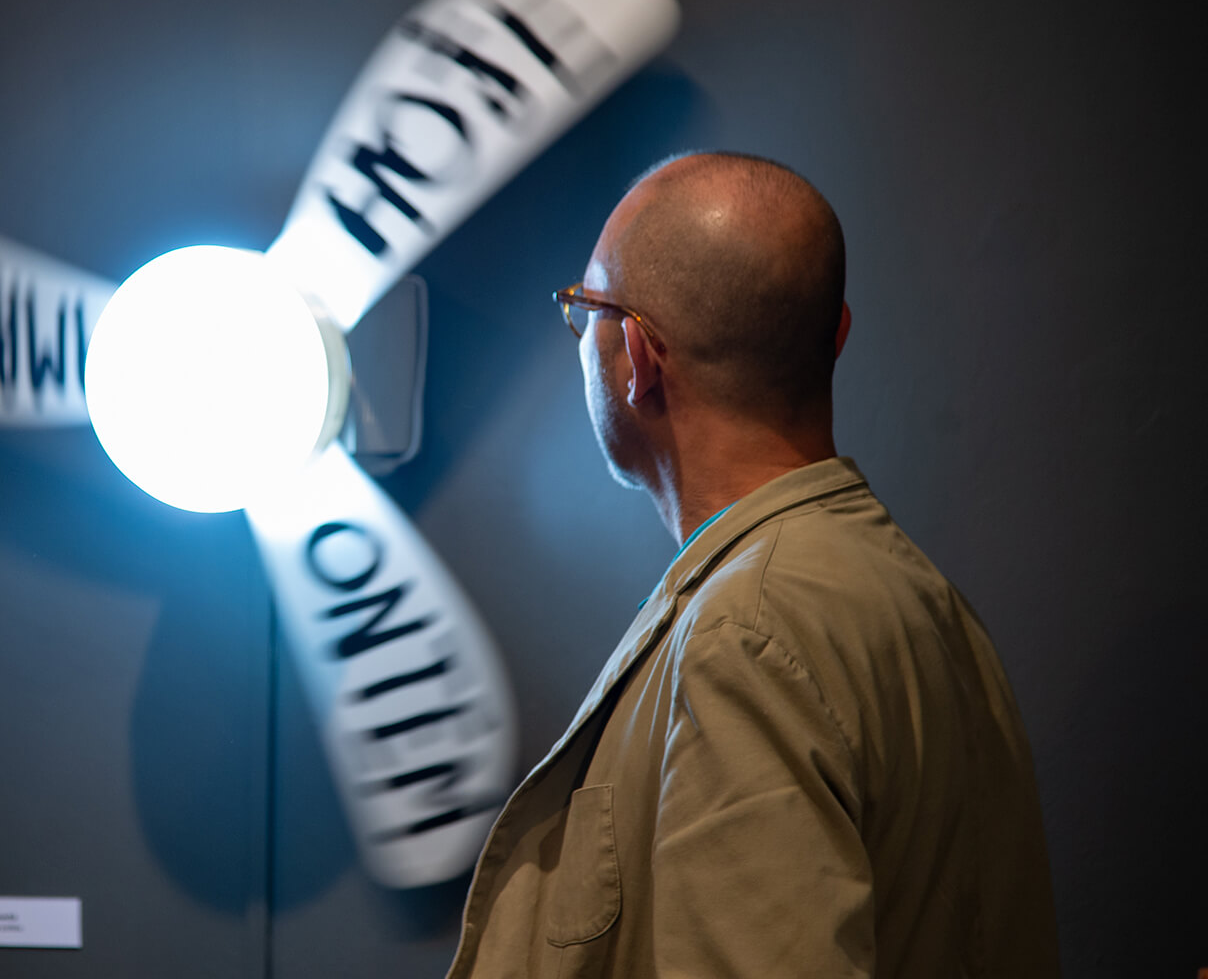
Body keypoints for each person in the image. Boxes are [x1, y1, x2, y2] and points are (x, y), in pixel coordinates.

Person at [443, 153, 1058, 978]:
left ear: (638, 357)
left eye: (584, 308)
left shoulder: (744, 637)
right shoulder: (925, 604)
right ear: (836, 334)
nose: (582, 337)